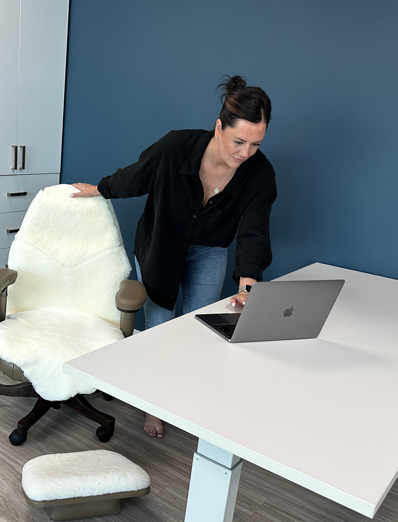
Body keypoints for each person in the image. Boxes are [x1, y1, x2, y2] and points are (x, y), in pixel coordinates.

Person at [71, 75, 277, 438]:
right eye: (238, 141)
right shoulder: (176, 146)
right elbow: (135, 177)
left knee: (200, 328)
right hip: (160, 244)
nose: (244, 153)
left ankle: (183, 397)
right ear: (219, 127)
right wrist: (99, 189)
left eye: (255, 144)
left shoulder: (260, 174)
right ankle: (154, 405)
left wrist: (248, 285)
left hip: (209, 248)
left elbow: (254, 230)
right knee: (161, 328)